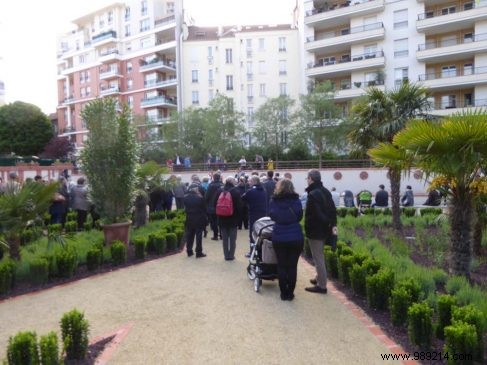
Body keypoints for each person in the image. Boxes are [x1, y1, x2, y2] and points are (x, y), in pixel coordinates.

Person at [269, 179, 304, 301]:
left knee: (282, 265)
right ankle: (290, 292)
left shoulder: (274, 200)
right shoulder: (296, 200)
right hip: (295, 236)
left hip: (279, 235)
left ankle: (283, 293)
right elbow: (300, 216)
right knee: (292, 266)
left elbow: (272, 215)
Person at [304, 169, 337, 294]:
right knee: (319, 256)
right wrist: (331, 225)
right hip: (325, 229)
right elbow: (333, 210)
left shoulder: (313, 194)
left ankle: (322, 286)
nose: (307, 180)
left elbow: (316, 214)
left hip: (316, 230)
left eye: (307, 178)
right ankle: (319, 278)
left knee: (318, 258)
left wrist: (325, 223)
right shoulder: (326, 191)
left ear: (311, 179)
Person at [217, 177, 243, 261]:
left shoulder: (219, 191)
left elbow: (215, 204)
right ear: (232, 182)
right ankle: (231, 255)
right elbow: (240, 207)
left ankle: (226, 255)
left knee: (224, 239)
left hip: (222, 218)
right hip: (233, 218)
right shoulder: (236, 191)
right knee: (232, 239)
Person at [242, 175, 268, 257]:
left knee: (253, 233)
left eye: (250, 181)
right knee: (262, 233)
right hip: (263, 214)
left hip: (253, 214)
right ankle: (261, 252)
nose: (248, 182)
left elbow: (243, 198)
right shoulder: (264, 190)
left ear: (254, 182)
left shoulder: (251, 191)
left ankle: (252, 252)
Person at [183, 184, 207, 258]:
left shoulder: (185, 197)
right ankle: (198, 252)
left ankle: (189, 250)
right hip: (199, 218)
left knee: (189, 235)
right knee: (199, 236)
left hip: (189, 218)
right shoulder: (200, 198)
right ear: (196, 189)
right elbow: (204, 209)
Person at [205, 172, 224, 240]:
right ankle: (222, 235)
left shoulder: (211, 185)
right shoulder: (223, 185)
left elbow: (207, 196)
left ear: (213, 178)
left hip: (212, 206)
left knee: (213, 221)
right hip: (222, 205)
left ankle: (215, 235)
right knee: (221, 221)